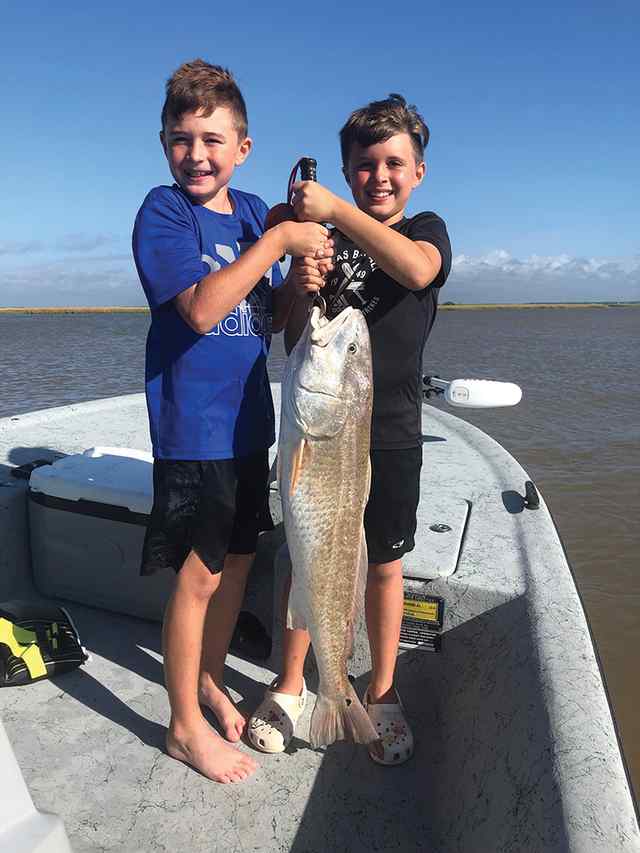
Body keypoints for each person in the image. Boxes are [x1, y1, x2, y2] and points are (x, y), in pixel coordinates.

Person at [132, 59, 332, 783]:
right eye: (182, 139)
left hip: (253, 427)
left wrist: (301, 291)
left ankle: (210, 677)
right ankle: (183, 725)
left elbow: (269, 320)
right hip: (195, 432)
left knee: (238, 566)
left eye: (213, 139)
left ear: (242, 147)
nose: (197, 154)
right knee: (198, 578)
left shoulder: (251, 211)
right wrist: (280, 246)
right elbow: (201, 308)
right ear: (164, 144)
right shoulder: (164, 212)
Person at [248, 93, 451, 765]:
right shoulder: (326, 244)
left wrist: (334, 209)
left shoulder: (424, 230)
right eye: (365, 165)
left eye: (394, 162)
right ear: (347, 167)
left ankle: (381, 690)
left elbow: (419, 270)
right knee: (303, 558)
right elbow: (292, 337)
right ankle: (292, 685)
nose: (380, 176)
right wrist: (303, 282)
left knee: (383, 567)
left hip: (389, 434)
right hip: (322, 430)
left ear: (418, 170)